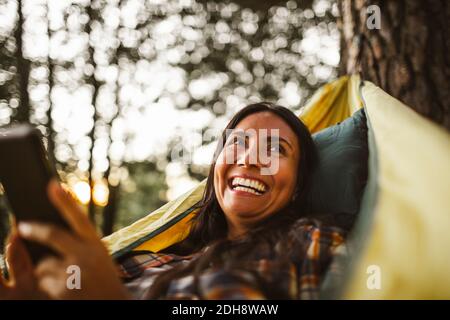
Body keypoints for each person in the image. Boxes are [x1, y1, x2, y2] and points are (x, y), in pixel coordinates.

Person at [0, 102, 347, 300]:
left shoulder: (309, 238)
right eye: (238, 143)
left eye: (275, 148)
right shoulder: (148, 259)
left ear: (300, 186)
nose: (251, 159)